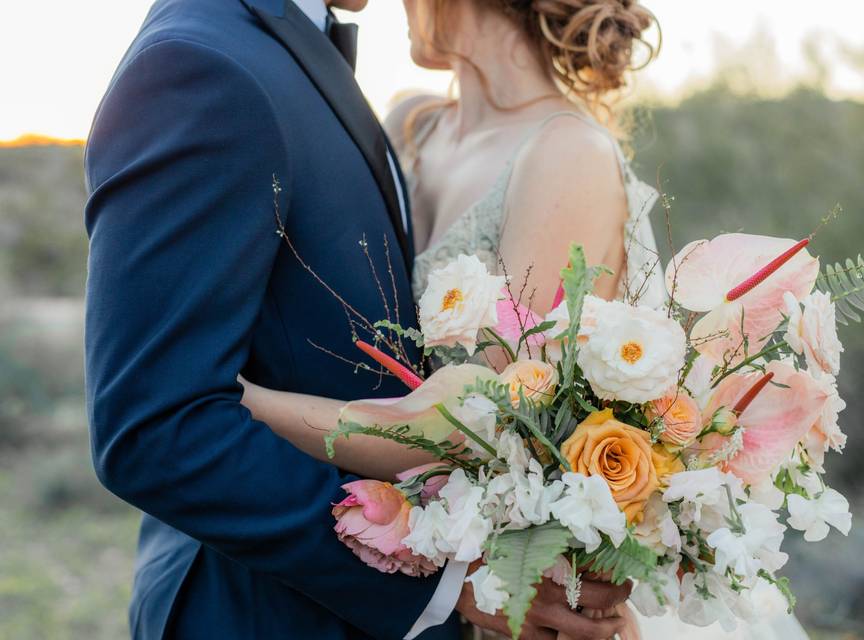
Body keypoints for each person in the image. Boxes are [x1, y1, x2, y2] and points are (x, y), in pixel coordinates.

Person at [239, 1, 813, 639]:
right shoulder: (410, 126)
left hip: (522, 593)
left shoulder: (564, 157)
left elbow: (484, 429)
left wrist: (236, 405)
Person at [83, 0, 631, 638]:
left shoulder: (552, 153)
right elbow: (156, 419)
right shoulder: (223, 66)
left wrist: (249, 401)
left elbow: (493, 424)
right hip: (258, 606)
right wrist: (447, 582)